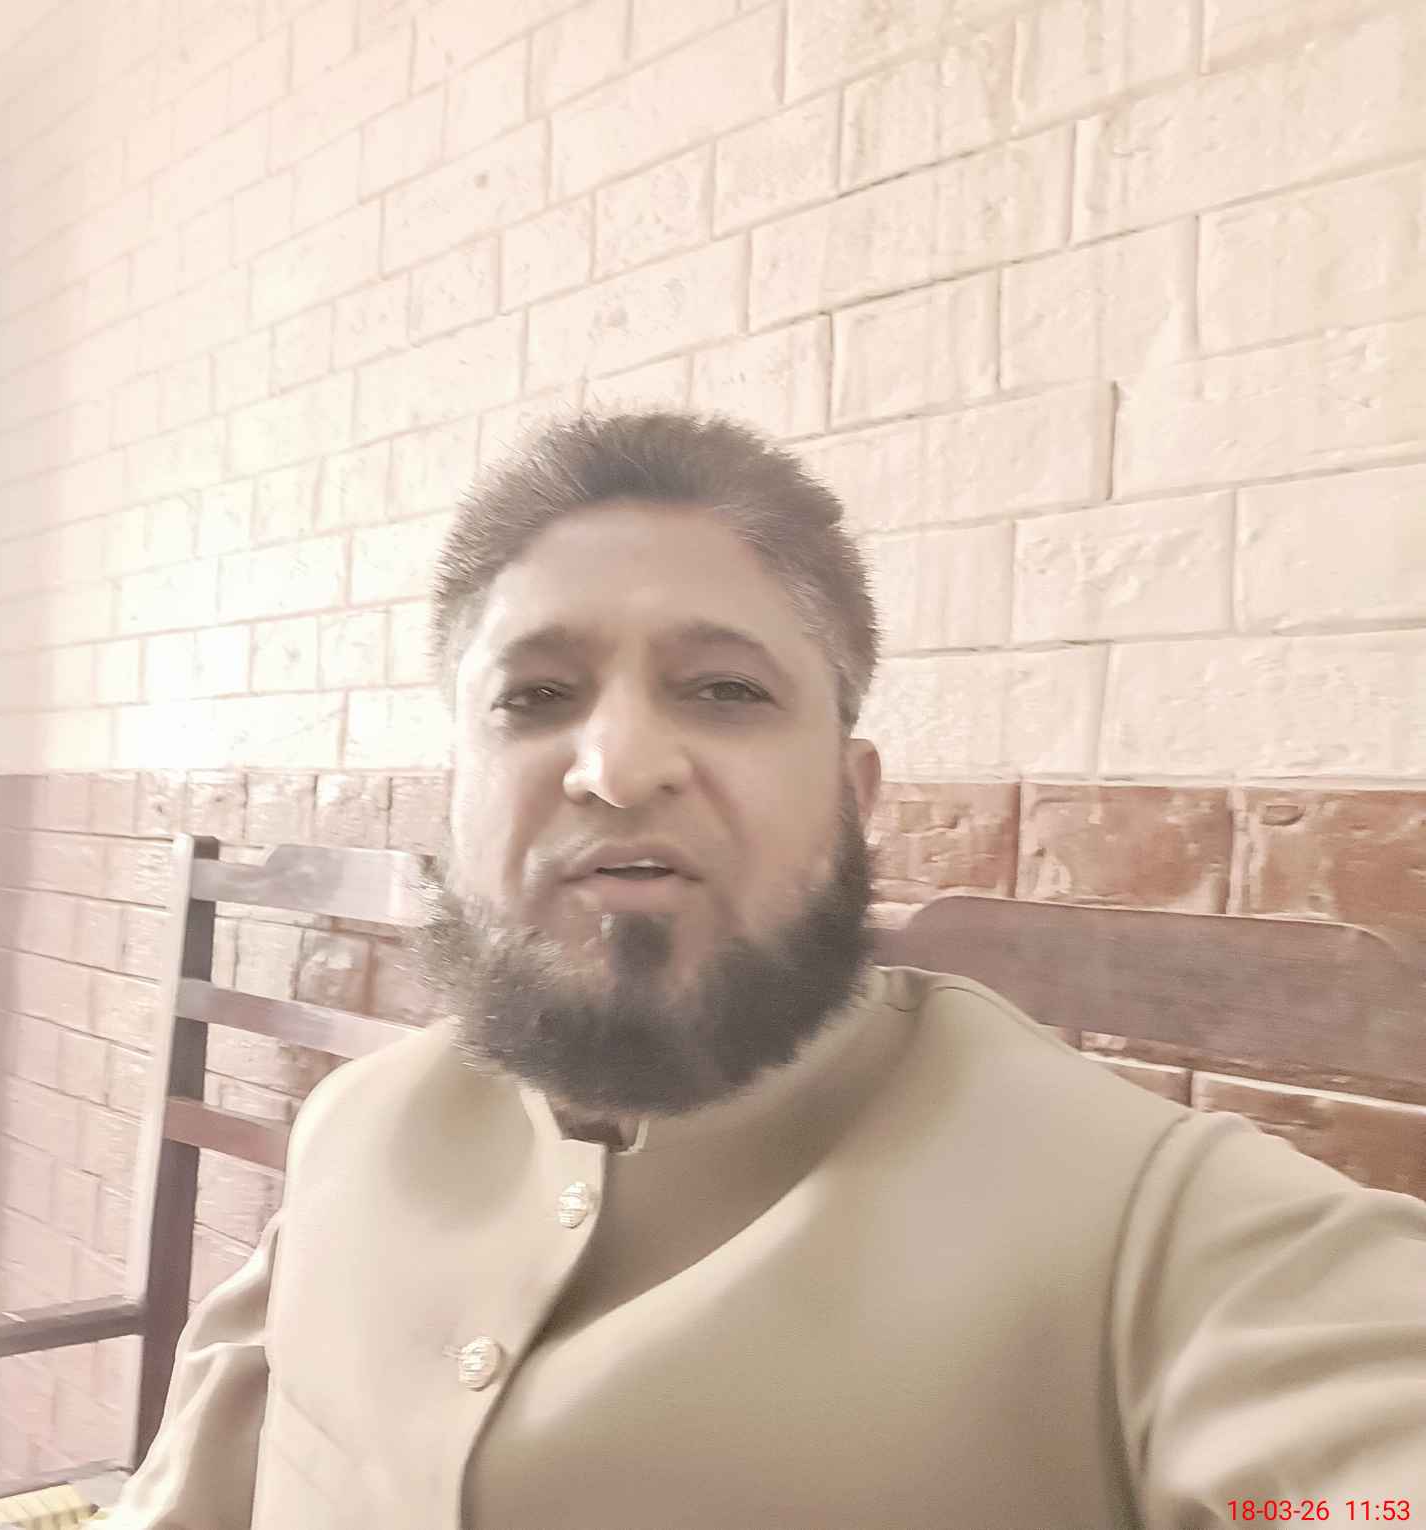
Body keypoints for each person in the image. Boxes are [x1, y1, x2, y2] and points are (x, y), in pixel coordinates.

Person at [92, 413, 1426, 1528]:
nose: (618, 766)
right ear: (456, 787)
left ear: (855, 796)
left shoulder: (1158, 1235)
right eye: (535, 696)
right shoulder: (350, 1133)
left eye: (725, 690)